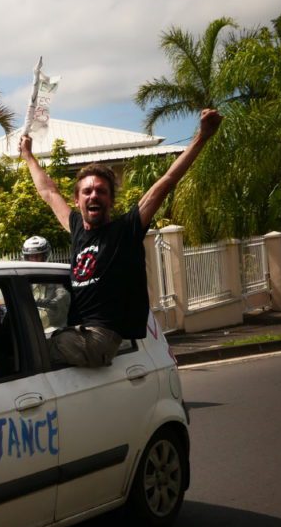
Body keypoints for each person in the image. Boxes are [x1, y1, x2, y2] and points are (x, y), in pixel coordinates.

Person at [20, 108, 223, 367]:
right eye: (87, 191)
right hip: (75, 333)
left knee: (25, 350)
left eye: (101, 191)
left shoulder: (125, 230)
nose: (93, 196)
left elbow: (168, 180)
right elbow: (48, 192)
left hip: (99, 338)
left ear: (110, 200)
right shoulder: (77, 228)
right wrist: (27, 155)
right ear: (77, 199)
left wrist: (202, 137)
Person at [22, 235, 70, 330]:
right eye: (31, 257)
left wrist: (53, 302)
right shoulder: (23, 277)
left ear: (44, 256)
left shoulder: (53, 274)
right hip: (31, 328)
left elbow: (63, 293)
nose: (34, 260)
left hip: (53, 329)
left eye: (37, 256)